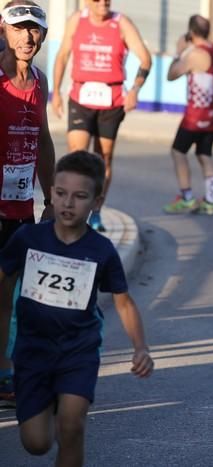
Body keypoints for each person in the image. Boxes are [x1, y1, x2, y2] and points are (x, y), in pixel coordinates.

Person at [0, 150, 154, 466]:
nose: (68, 203)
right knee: (37, 443)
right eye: (60, 193)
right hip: (32, 352)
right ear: (51, 194)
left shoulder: (101, 250)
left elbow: (123, 303)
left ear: (97, 202)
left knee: (72, 426)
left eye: (79, 196)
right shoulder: (28, 238)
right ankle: (51, 402)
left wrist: (141, 348)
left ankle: (67, 406)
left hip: (78, 351)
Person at [51, 0, 152, 231]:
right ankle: (69, 210)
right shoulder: (77, 20)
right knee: (77, 156)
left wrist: (135, 90)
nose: (104, 2)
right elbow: (63, 55)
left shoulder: (121, 23)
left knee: (103, 157)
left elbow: (145, 58)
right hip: (81, 97)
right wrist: (55, 92)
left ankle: (95, 211)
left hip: (112, 100)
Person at [0, 0, 56, 409]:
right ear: (4, 31)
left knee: (10, 295)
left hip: (22, 206)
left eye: (35, 29)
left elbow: (45, 140)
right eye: (19, 28)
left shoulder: (40, 80)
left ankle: (6, 375)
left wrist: (51, 196)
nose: (27, 36)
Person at [162, 14, 213, 216]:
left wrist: (179, 53)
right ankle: (212, 201)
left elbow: (171, 75)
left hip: (195, 116)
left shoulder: (194, 54)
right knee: (205, 155)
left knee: (178, 152)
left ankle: (187, 198)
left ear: (191, 32)